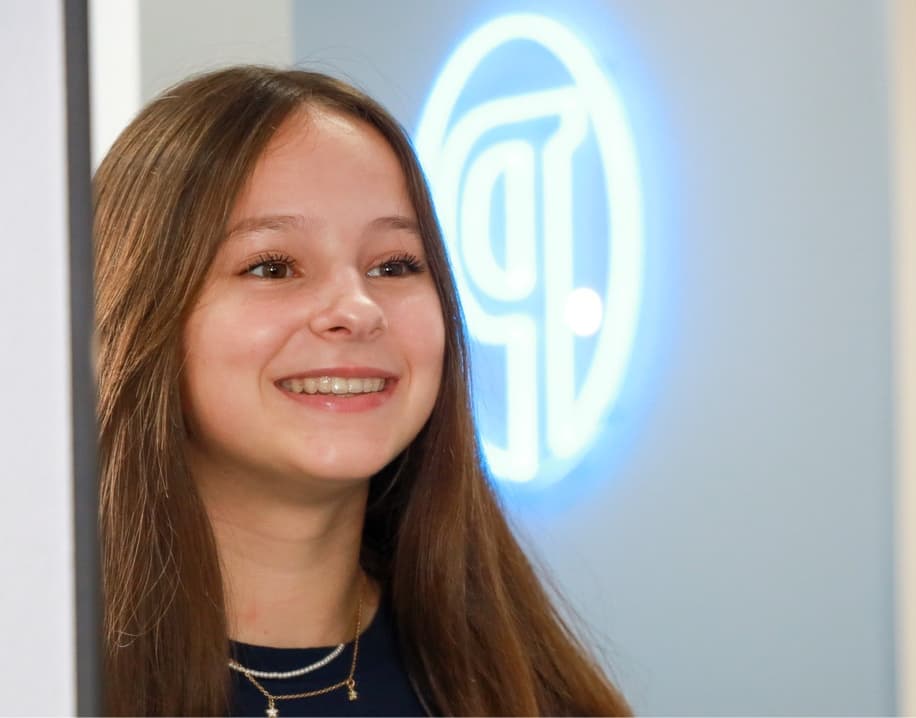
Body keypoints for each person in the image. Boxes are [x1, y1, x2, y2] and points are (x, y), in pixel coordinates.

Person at [93, 65, 631, 717]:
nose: (357, 307)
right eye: (272, 266)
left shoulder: (529, 693)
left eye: (394, 265)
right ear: (139, 311)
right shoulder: (41, 674)